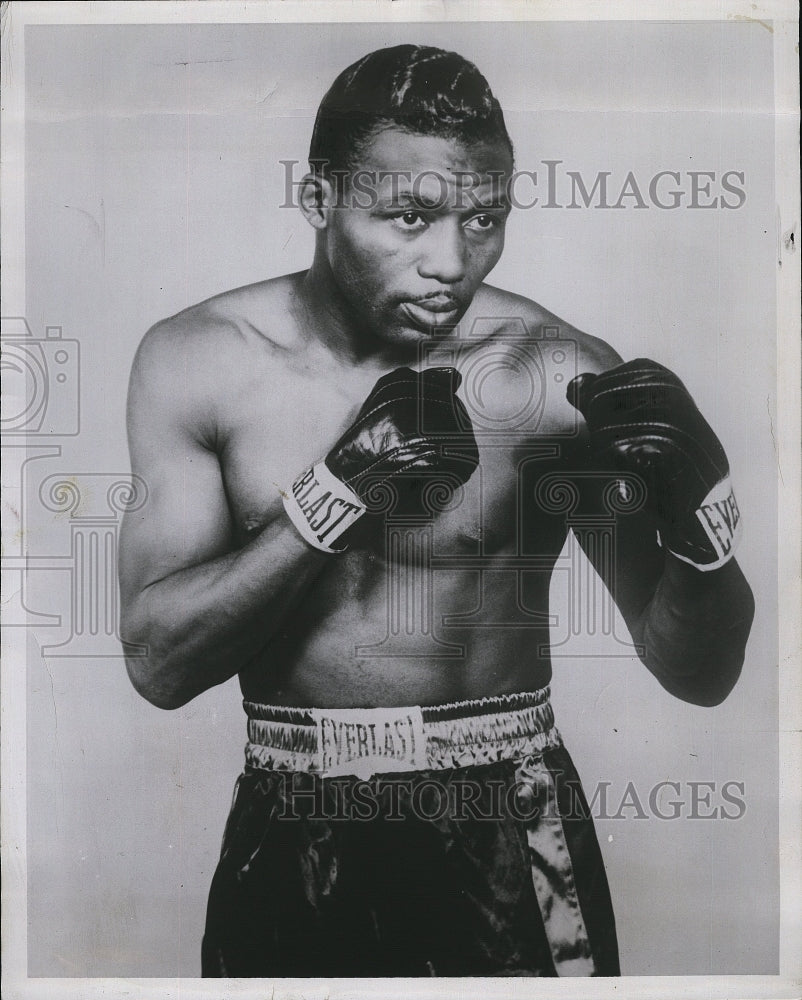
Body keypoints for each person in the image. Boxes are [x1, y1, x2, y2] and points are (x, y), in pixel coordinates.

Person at [118, 44, 754, 977]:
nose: (450, 263)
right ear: (319, 198)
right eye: (409, 218)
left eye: (483, 220)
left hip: (507, 819)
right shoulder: (196, 363)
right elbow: (159, 664)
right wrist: (334, 496)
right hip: (292, 815)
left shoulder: (553, 377)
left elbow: (697, 673)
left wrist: (707, 541)